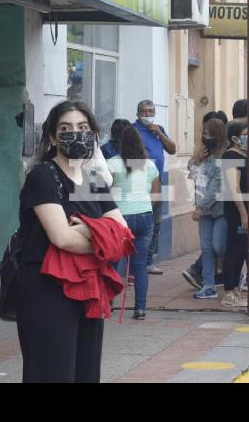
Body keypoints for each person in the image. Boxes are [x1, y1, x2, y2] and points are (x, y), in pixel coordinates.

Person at [17, 100, 129, 382]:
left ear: (93, 134)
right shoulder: (43, 176)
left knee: (86, 372)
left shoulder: (94, 179)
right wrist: (102, 232)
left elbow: (123, 232)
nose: (75, 134)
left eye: (82, 127)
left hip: (89, 289)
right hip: (47, 291)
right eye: (65, 128)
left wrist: (86, 228)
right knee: (53, 373)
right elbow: (62, 238)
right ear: (53, 137)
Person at [107, 125, 160, 320]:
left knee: (112, 262)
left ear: (120, 144)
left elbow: (101, 192)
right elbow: (155, 195)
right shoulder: (149, 165)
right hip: (145, 215)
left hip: (120, 218)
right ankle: (140, 309)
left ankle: (108, 304)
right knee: (140, 266)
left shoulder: (112, 164)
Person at [134, 100, 177, 275]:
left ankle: (149, 260)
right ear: (138, 114)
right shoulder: (133, 130)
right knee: (141, 222)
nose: (147, 115)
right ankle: (137, 262)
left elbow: (173, 149)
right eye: (144, 112)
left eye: (150, 111)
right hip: (139, 184)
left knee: (156, 222)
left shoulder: (158, 130)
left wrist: (159, 132)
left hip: (157, 182)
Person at [188, 118, 228, 299]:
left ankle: (233, 272)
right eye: (205, 134)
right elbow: (193, 176)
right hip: (203, 210)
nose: (206, 138)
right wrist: (196, 159)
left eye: (210, 134)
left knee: (219, 246)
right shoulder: (203, 156)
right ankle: (208, 284)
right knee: (206, 248)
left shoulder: (223, 157)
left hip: (220, 209)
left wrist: (201, 207)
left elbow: (216, 186)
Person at [220, 121, 249, 307]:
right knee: (233, 250)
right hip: (236, 210)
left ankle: (237, 290)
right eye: (245, 134)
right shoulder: (231, 156)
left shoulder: (245, 155)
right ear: (234, 138)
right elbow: (234, 188)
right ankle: (229, 292)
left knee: (242, 251)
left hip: (245, 208)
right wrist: (243, 213)